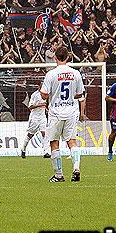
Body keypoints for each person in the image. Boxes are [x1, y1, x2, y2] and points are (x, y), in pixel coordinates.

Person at [40, 46, 86, 182]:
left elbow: (43, 95)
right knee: (72, 141)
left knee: (54, 143)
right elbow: (80, 94)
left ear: (55, 57)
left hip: (56, 113)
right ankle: (76, 168)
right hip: (71, 112)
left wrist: (53, 93)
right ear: (68, 57)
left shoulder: (51, 74)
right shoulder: (75, 73)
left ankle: (59, 175)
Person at [20, 87, 49, 159]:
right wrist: (40, 105)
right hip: (34, 118)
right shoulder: (34, 95)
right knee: (30, 135)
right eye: (42, 86)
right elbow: (30, 107)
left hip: (42, 117)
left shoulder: (46, 94)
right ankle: (23, 149)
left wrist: (46, 109)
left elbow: (46, 104)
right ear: (38, 86)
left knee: (44, 133)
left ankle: (46, 152)